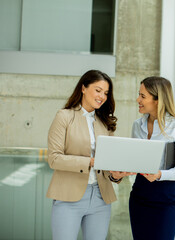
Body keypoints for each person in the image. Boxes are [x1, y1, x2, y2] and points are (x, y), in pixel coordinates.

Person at [46, 70, 126, 240]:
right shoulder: (64, 116)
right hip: (68, 197)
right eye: (98, 90)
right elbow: (54, 158)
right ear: (83, 88)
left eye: (106, 93)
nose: (102, 96)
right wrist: (90, 161)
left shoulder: (105, 122)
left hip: (100, 198)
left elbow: (107, 164)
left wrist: (115, 175)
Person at [129, 76, 175, 240]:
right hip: (139, 196)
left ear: (157, 100)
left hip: (165, 199)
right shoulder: (137, 125)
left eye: (143, 96)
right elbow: (134, 161)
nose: (138, 99)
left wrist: (159, 175)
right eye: (139, 94)